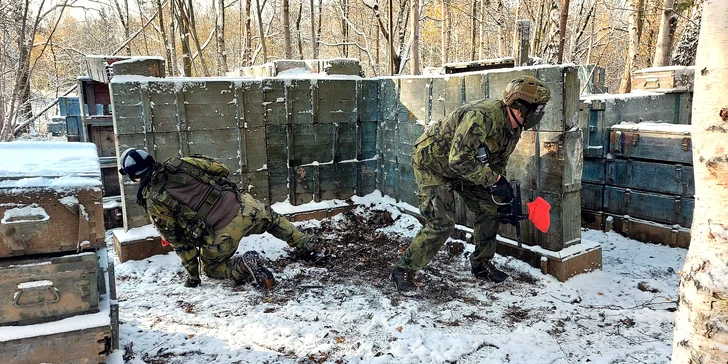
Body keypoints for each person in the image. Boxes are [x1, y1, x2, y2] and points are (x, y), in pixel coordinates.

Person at [390, 75, 551, 292]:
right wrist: (493, 180)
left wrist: (500, 190)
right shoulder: (481, 116)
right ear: (518, 106)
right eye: (536, 109)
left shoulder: (514, 126)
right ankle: (403, 269)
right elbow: (458, 160)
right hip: (433, 164)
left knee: (489, 209)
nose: (537, 114)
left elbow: (498, 161)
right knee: (442, 223)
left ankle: (481, 264)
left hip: (467, 167)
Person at [119, 150, 320, 289]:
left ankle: (244, 265)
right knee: (273, 220)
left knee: (212, 268)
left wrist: (193, 276)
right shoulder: (179, 163)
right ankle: (308, 244)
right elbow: (220, 169)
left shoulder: (152, 200)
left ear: (133, 177)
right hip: (246, 207)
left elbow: (178, 241)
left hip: (221, 233)